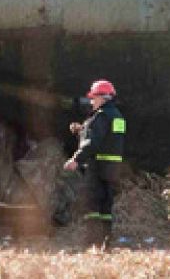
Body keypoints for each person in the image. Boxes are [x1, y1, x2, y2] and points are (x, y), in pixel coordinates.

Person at [63, 79, 126, 246]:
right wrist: (82, 130)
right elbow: (107, 139)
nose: (91, 101)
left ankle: (92, 243)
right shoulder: (117, 116)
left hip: (97, 167)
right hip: (112, 168)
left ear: (103, 98)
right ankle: (105, 243)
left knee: (91, 205)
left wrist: (76, 159)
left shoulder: (101, 115)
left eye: (94, 98)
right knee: (106, 207)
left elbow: (93, 142)